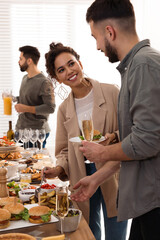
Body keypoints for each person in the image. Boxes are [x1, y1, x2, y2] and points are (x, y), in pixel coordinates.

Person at [71, 0, 160, 239]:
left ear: (110, 31)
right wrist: (96, 179)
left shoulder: (144, 65)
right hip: (146, 201)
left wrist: (101, 154)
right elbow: (134, 145)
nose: (98, 46)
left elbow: (147, 141)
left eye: (95, 37)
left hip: (154, 202)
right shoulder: (136, 66)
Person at [44, 42, 127, 240]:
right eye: (61, 70)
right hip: (82, 173)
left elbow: (131, 131)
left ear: (80, 63)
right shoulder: (64, 109)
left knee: (116, 228)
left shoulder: (111, 92)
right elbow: (64, 150)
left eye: (71, 64)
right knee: (89, 231)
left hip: (112, 170)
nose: (69, 71)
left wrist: (113, 136)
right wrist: (58, 169)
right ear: (57, 79)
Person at [15, 45, 55, 148]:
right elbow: (29, 99)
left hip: (36, 133)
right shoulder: (25, 78)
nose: (18, 61)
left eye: (20, 59)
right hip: (21, 130)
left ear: (29, 61)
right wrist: (14, 99)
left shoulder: (44, 82)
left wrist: (25, 108)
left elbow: (50, 108)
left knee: (35, 163)